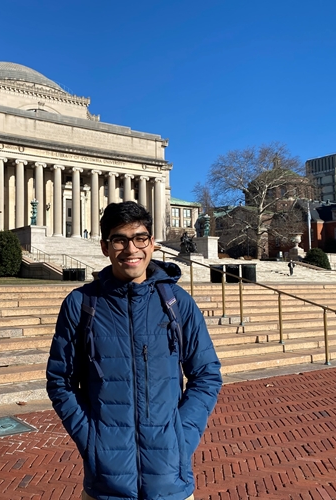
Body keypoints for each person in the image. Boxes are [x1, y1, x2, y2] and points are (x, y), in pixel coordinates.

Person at [46, 201, 222, 500]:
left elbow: (206, 375)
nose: (131, 249)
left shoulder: (177, 302)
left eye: (140, 238)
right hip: (106, 484)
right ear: (105, 246)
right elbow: (60, 380)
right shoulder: (80, 304)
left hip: (171, 480)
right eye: (120, 240)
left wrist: (181, 435)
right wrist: (91, 438)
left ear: (152, 243)